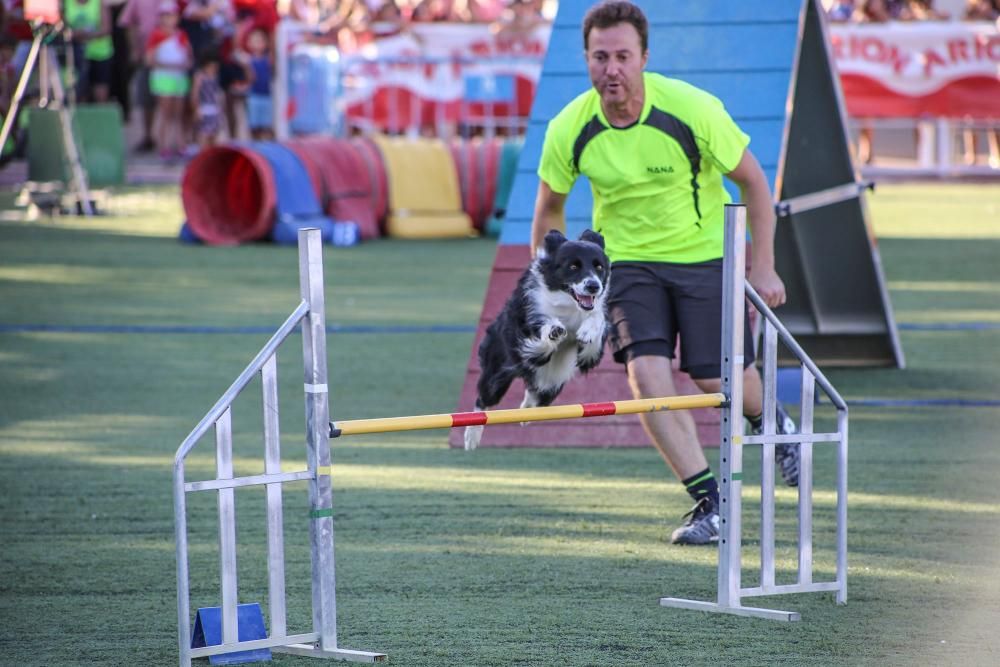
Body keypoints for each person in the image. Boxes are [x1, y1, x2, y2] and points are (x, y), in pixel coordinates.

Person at [530, 0, 800, 546]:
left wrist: (763, 264)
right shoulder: (570, 128)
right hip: (625, 265)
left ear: (644, 58)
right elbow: (549, 208)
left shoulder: (692, 109)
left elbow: (754, 183)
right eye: (600, 57)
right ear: (585, 60)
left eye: (623, 57)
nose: (612, 69)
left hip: (703, 256)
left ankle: (772, 422)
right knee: (646, 378)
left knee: (713, 379)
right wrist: (548, 281)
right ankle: (709, 502)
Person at [146, 0, 191, 161]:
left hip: (179, 78)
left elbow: (188, 57)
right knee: (165, 113)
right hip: (163, 78)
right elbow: (149, 59)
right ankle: (163, 146)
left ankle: (179, 145)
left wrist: (182, 65)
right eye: (165, 15)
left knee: (178, 114)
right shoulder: (156, 35)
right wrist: (169, 65)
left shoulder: (181, 35)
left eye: (172, 15)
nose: (169, 19)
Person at [190, 46, 222, 148]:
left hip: (215, 109)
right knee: (204, 135)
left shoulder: (216, 76)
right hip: (204, 108)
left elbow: (217, 94)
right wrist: (196, 109)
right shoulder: (200, 76)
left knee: (214, 135)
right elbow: (195, 94)